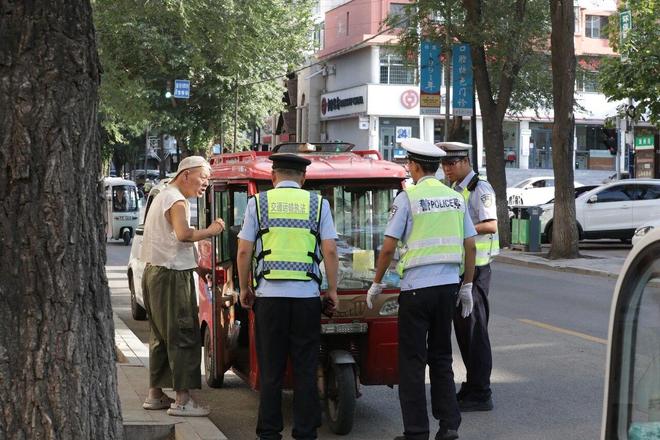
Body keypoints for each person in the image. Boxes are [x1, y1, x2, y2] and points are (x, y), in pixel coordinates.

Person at [368, 138, 477, 440]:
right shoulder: (455, 198)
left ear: (415, 166)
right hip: (448, 289)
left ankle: (416, 432)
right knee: (441, 357)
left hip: (416, 290)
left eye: (408, 164)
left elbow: (388, 247)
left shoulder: (408, 198)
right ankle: (449, 425)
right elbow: (470, 245)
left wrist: (376, 283)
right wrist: (467, 285)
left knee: (413, 362)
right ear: (437, 167)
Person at [236, 153, 339, 440]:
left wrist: (244, 288)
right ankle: (305, 432)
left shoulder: (258, 203)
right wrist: (332, 290)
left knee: (271, 369)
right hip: (307, 299)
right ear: (303, 178)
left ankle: (269, 433)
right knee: (305, 367)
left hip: (269, 299)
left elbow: (244, 250)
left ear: (273, 177)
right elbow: (330, 250)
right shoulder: (318, 204)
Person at [140, 156, 225, 416]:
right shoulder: (176, 200)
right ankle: (183, 401)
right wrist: (212, 230)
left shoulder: (162, 195)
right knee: (183, 333)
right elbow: (183, 234)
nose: (205, 184)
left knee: (161, 336)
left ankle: (155, 394)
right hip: (172, 278)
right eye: (203, 177)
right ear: (186, 174)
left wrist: (198, 268)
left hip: (155, 273)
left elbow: (171, 243)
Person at [437, 142, 499, 412]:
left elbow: (491, 224)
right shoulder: (455, 188)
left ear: (465, 162)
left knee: (475, 332)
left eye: (451, 163)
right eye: (443, 164)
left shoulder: (479, 189)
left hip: (478, 269)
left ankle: (482, 393)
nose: (446, 169)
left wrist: (461, 227)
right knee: (464, 332)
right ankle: (473, 385)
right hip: (463, 269)